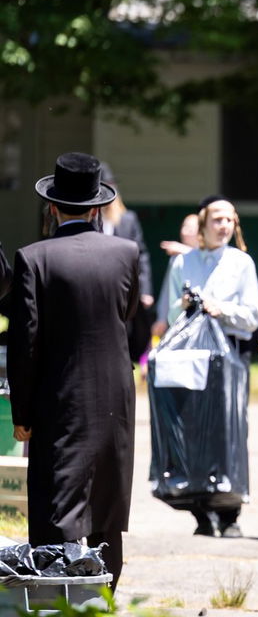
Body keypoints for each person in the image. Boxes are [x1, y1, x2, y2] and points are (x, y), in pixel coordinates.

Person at [7, 153, 140, 588]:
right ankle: (104, 600)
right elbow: (128, 320)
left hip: (58, 399)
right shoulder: (126, 253)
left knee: (56, 500)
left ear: (52, 207)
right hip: (115, 398)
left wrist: (22, 412)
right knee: (106, 502)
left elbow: (26, 343)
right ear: (98, 206)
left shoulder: (34, 258)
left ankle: (57, 606)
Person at [156, 195, 258, 537]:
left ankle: (230, 512)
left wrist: (223, 309)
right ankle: (201, 511)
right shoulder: (183, 263)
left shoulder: (241, 263)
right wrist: (184, 305)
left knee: (230, 429)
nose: (224, 226)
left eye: (230, 220)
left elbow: (253, 317)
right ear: (202, 225)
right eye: (217, 219)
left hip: (229, 356)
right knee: (194, 429)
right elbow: (166, 315)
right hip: (191, 356)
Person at [96, 164, 155, 364]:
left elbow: (142, 255)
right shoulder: (91, 218)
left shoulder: (127, 219)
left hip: (123, 284)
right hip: (96, 282)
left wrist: (145, 289)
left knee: (127, 325)